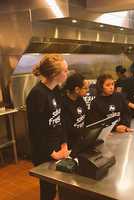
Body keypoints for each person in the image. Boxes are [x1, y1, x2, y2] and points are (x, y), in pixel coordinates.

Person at [26, 54, 70, 200]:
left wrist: (64, 143)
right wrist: (52, 153)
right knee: (48, 190)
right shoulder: (37, 94)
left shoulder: (56, 90)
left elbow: (60, 119)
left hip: (58, 147)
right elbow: (36, 131)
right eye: (65, 70)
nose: (67, 73)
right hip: (45, 152)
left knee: (63, 186)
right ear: (54, 74)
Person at [62, 73, 89, 150]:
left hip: (81, 141)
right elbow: (66, 130)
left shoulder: (80, 99)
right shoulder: (63, 103)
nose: (88, 90)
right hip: (69, 145)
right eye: (85, 88)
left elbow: (87, 118)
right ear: (77, 89)